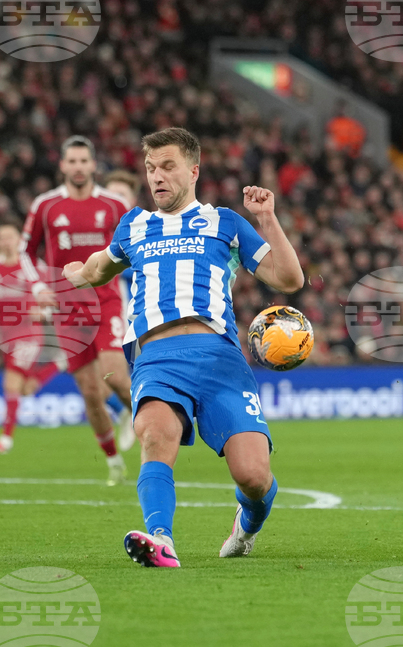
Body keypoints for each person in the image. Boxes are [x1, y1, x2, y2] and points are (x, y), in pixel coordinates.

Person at [63, 127, 304, 568]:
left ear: (193, 170)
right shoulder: (134, 224)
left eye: (168, 166)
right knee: (155, 436)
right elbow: (101, 265)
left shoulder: (224, 222)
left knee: (253, 475)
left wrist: (267, 218)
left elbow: (288, 279)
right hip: (156, 358)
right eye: (151, 168)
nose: (157, 176)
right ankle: (161, 538)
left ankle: (247, 524)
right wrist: (80, 272)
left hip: (219, 358)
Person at [19, 136, 133, 484]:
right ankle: (113, 460)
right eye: (73, 161)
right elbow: (26, 252)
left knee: (114, 373)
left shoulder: (113, 204)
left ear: (93, 165)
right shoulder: (46, 205)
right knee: (89, 391)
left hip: (106, 298)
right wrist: (38, 286)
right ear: (63, 165)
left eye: (85, 161)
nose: (79, 167)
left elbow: (137, 244)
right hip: (67, 307)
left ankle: (147, 421)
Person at [0, 223, 61, 453]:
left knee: (10, 382)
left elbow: (52, 294)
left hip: (30, 333)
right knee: (25, 388)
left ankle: (5, 440)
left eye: (10, 236)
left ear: (19, 239)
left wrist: (44, 312)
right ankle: (55, 366)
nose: (6, 241)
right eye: (1, 237)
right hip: (5, 336)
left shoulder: (32, 265)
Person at [101, 169, 142, 451]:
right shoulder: (95, 232)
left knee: (117, 376)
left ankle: (140, 417)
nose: (114, 199)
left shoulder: (144, 229)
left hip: (134, 314)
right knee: (96, 382)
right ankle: (129, 409)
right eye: (110, 194)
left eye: (121, 194)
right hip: (96, 311)